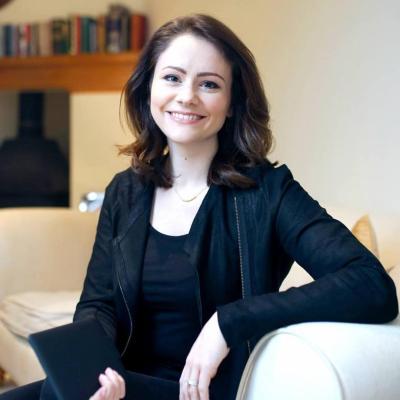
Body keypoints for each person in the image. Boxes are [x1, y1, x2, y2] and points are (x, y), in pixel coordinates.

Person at [1, 13, 398, 400]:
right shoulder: (125, 191)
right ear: (149, 89)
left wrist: (228, 322)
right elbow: (98, 303)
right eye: (172, 78)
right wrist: (95, 374)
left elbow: (371, 284)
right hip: (123, 385)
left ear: (232, 102)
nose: (187, 96)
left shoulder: (269, 191)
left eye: (209, 84)